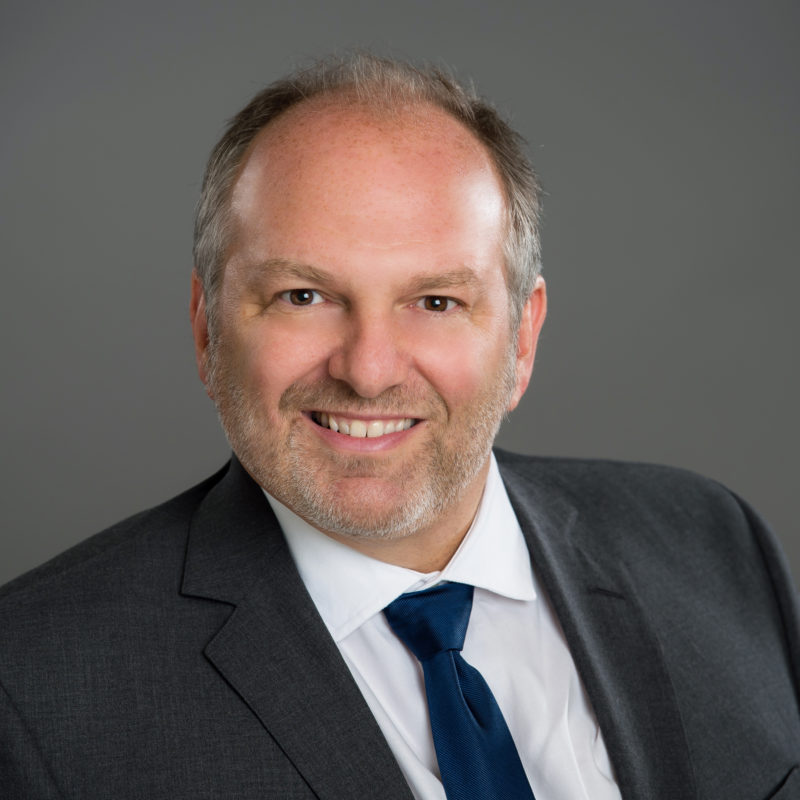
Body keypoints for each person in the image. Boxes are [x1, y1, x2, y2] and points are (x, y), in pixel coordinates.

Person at [1, 54, 798, 800]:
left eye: (436, 302)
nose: (369, 368)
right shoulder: (35, 688)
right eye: (303, 296)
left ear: (522, 338)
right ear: (207, 329)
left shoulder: (714, 546)